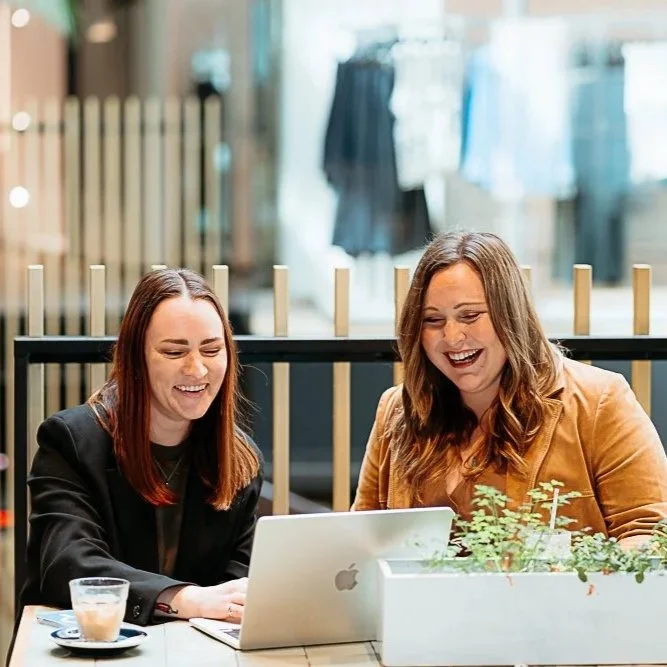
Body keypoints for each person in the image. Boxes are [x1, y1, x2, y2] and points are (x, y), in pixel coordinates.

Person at [352, 231, 667, 545]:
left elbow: (650, 533)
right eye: (433, 320)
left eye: (470, 315)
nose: (452, 336)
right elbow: (360, 546)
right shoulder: (397, 410)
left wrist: (575, 588)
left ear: (511, 313)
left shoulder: (601, 401)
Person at [20, 268, 263, 625]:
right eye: (174, 352)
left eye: (212, 349)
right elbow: (70, 566)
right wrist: (187, 599)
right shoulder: (70, 441)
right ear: (136, 358)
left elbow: (238, 585)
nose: (197, 370)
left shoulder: (240, 459)